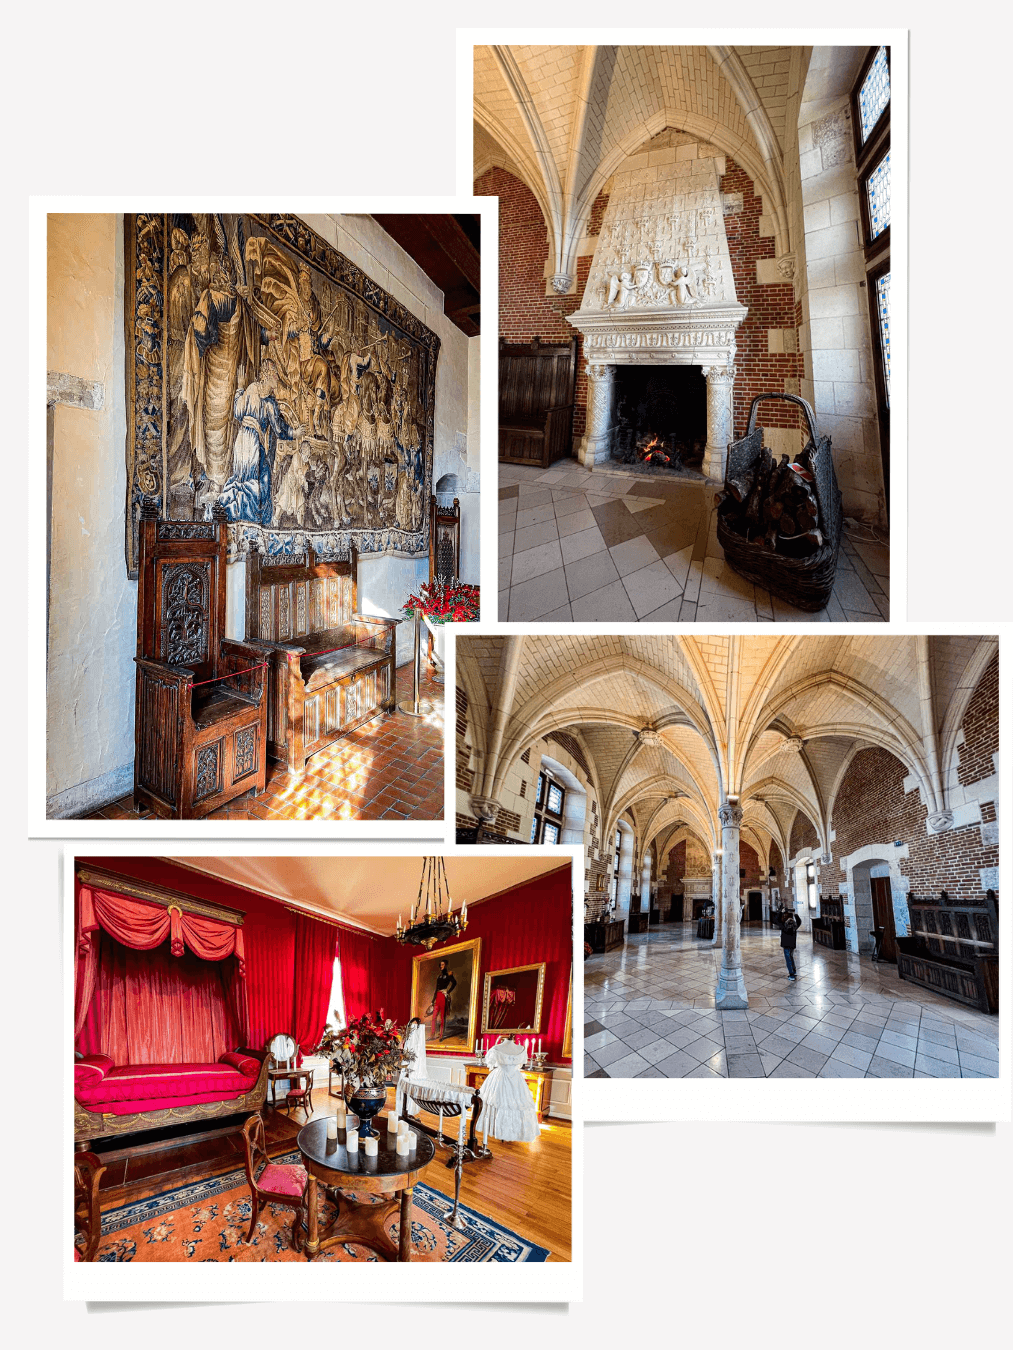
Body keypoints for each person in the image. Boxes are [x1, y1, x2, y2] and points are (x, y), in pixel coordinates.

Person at [478, 1036, 539, 1143]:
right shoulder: (519, 1049)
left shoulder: (498, 1048)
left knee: (509, 1104)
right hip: (513, 1078)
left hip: (502, 1077)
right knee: (503, 1103)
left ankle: (510, 1131)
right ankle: (502, 1130)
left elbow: (490, 1064)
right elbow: (519, 1065)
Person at [425, 960, 457, 1041]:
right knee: (434, 1017)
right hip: (437, 997)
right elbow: (436, 989)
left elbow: (454, 983)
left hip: (443, 996)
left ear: (446, 965)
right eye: (440, 965)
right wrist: (432, 1000)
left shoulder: (449, 974)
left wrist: (448, 991)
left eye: (442, 964)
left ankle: (441, 1035)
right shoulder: (439, 976)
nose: (441, 966)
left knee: (442, 1017)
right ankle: (432, 1035)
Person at [781, 909, 802, 980]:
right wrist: (795, 914)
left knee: (788, 959)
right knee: (791, 957)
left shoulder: (784, 926)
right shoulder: (794, 926)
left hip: (786, 945)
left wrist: (781, 912)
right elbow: (799, 921)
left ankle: (792, 975)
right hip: (792, 945)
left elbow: (777, 920)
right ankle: (794, 971)